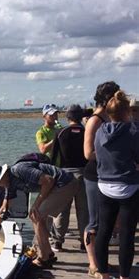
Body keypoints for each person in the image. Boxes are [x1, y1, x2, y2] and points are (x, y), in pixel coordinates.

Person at [0, 159, 78, 268]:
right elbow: (4, 208)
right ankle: (48, 254)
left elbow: (49, 180)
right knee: (36, 215)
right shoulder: (9, 184)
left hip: (65, 183)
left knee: (36, 214)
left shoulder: (19, 170)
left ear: (3, 175)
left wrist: (36, 204)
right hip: (57, 185)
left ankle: (44, 257)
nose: (0, 186)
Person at [94, 91, 139, 279]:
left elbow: (98, 157)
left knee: (103, 232)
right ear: (127, 112)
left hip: (104, 185)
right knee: (127, 235)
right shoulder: (133, 131)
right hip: (129, 186)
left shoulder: (100, 131)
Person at [83, 81, 120, 279]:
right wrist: (112, 154)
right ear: (107, 98)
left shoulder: (112, 117)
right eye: (115, 95)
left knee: (109, 221)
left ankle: (101, 261)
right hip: (94, 175)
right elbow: (88, 153)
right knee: (94, 221)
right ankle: (93, 265)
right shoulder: (95, 120)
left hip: (109, 174)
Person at [51, 104, 89, 250]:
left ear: (68, 118)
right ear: (80, 117)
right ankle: (84, 242)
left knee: (62, 209)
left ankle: (58, 241)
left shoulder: (61, 132)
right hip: (84, 173)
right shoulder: (86, 131)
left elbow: (54, 158)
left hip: (64, 174)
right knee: (84, 210)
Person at [36, 103, 68, 251]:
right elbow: (42, 149)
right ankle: (46, 233)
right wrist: (56, 137)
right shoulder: (41, 132)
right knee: (47, 202)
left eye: (56, 114)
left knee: (62, 204)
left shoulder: (59, 129)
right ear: (44, 116)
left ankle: (58, 234)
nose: (54, 117)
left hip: (62, 169)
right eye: (51, 115)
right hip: (49, 170)